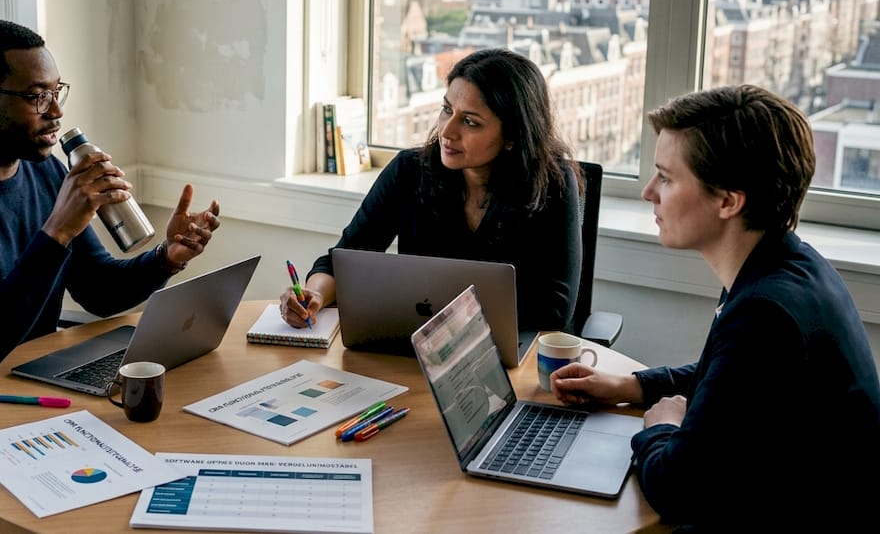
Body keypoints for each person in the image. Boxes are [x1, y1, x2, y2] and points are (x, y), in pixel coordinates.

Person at [0, 19, 222, 482]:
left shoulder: (42, 172)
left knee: (167, 442)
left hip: (30, 383)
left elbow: (98, 289)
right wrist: (58, 230)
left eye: (57, 91)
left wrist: (166, 257)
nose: (56, 111)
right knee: (102, 478)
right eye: (36, 96)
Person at [550, 85, 880, 528]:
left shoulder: (765, 313)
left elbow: (676, 490)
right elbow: (727, 379)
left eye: (666, 178)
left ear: (728, 200)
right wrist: (631, 386)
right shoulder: (787, 264)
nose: (648, 192)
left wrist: (661, 426)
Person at [282, 47, 581, 334]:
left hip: (518, 351)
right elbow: (344, 259)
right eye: (447, 110)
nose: (447, 131)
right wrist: (314, 293)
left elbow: (555, 310)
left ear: (512, 136)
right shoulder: (409, 170)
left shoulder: (552, 184)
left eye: (470, 122)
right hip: (416, 346)